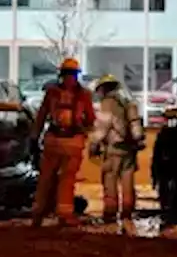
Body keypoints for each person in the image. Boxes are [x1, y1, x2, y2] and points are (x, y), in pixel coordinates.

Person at [30, 57, 96, 227]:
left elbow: (41, 116)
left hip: (54, 141)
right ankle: (63, 214)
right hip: (72, 142)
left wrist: (34, 137)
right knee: (65, 179)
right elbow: (90, 119)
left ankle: (39, 213)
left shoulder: (52, 93)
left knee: (46, 178)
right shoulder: (84, 95)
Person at [88, 74, 145, 225]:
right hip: (129, 150)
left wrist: (93, 144)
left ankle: (110, 213)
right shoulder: (128, 101)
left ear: (104, 89)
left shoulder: (109, 103)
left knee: (110, 181)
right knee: (128, 182)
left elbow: (103, 126)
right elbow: (136, 127)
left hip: (113, 150)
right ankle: (127, 213)